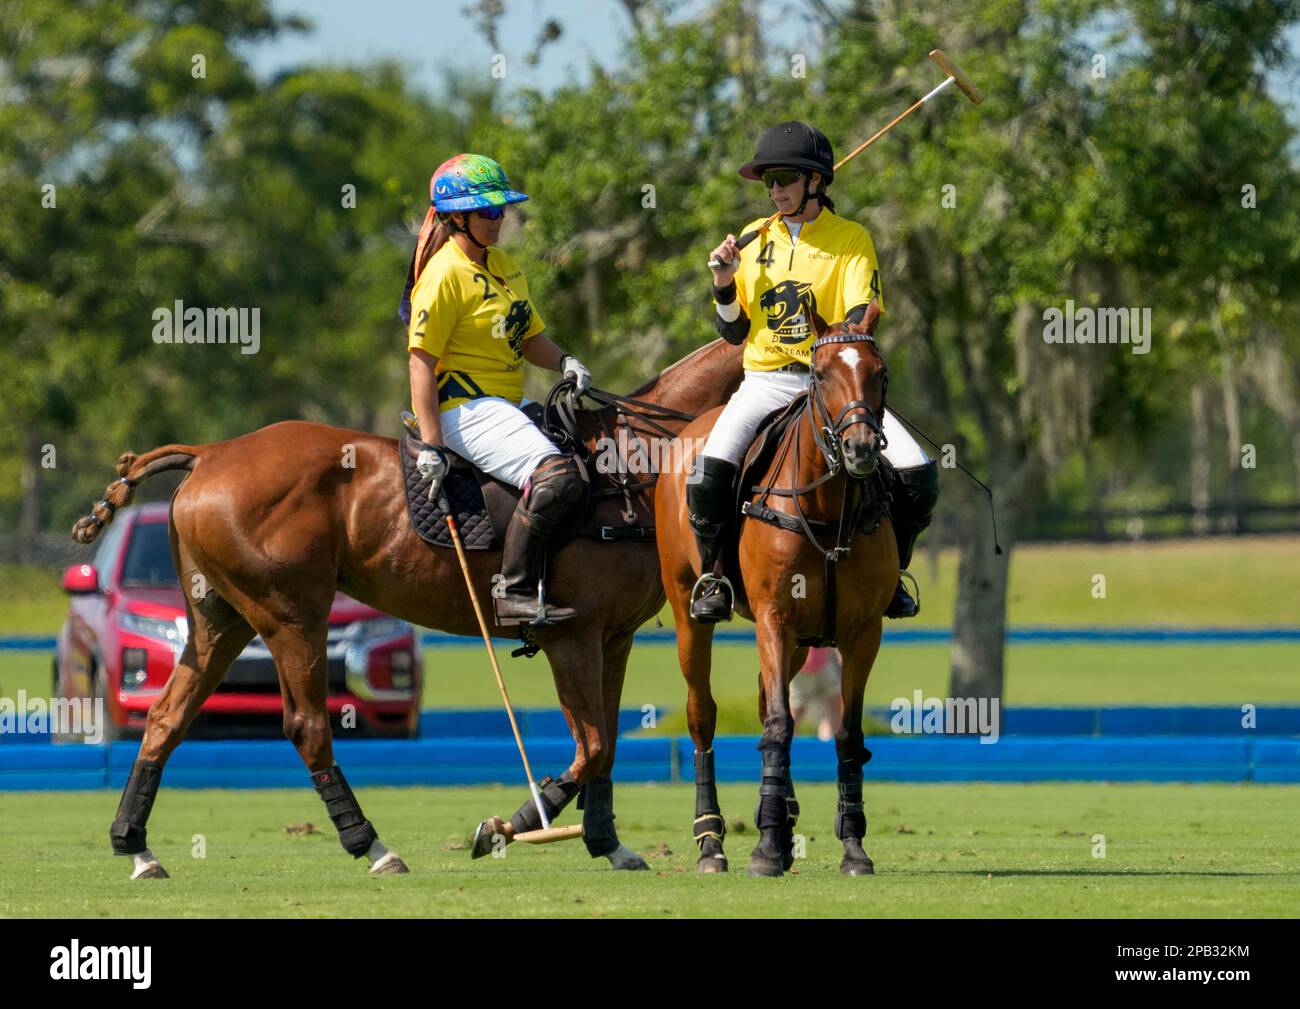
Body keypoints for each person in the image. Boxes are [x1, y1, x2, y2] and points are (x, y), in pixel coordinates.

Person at [690, 121, 940, 623]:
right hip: (764, 380)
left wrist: (829, 369)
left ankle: (893, 574)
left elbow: (857, 320)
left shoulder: (851, 239)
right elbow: (734, 332)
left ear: (816, 182)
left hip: (829, 383)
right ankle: (714, 575)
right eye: (768, 181)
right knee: (707, 471)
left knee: (919, 474)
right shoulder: (752, 240)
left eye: (785, 177)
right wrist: (722, 282)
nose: (776, 189)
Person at [399, 153, 594, 626]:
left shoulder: (504, 265)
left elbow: (529, 338)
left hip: (507, 403)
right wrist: (432, 443)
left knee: (597, 455)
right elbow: (420, 363)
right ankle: (514, 591)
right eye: (486, 211)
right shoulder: (444, 275)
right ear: (456, 217)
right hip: (464, 408)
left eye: (500, 209)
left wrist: (565, 361)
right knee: (556, 476)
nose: (497, 219)